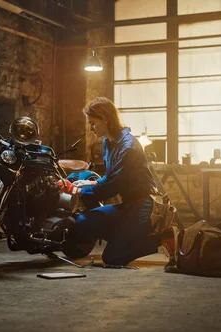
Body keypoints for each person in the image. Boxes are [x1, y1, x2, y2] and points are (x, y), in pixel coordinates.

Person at [57, 97, 175, 266]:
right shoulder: (108, 142)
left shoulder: (128, 147)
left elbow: (114, 186)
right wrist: (89, 184)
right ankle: (126, 238)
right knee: (83, 221)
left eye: (93, 123)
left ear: (105, 119)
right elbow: (110, 177)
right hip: (128, 205)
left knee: (112, 258)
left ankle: (160, 239)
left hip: (144, 207)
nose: (90, 128)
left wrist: (78, 191)